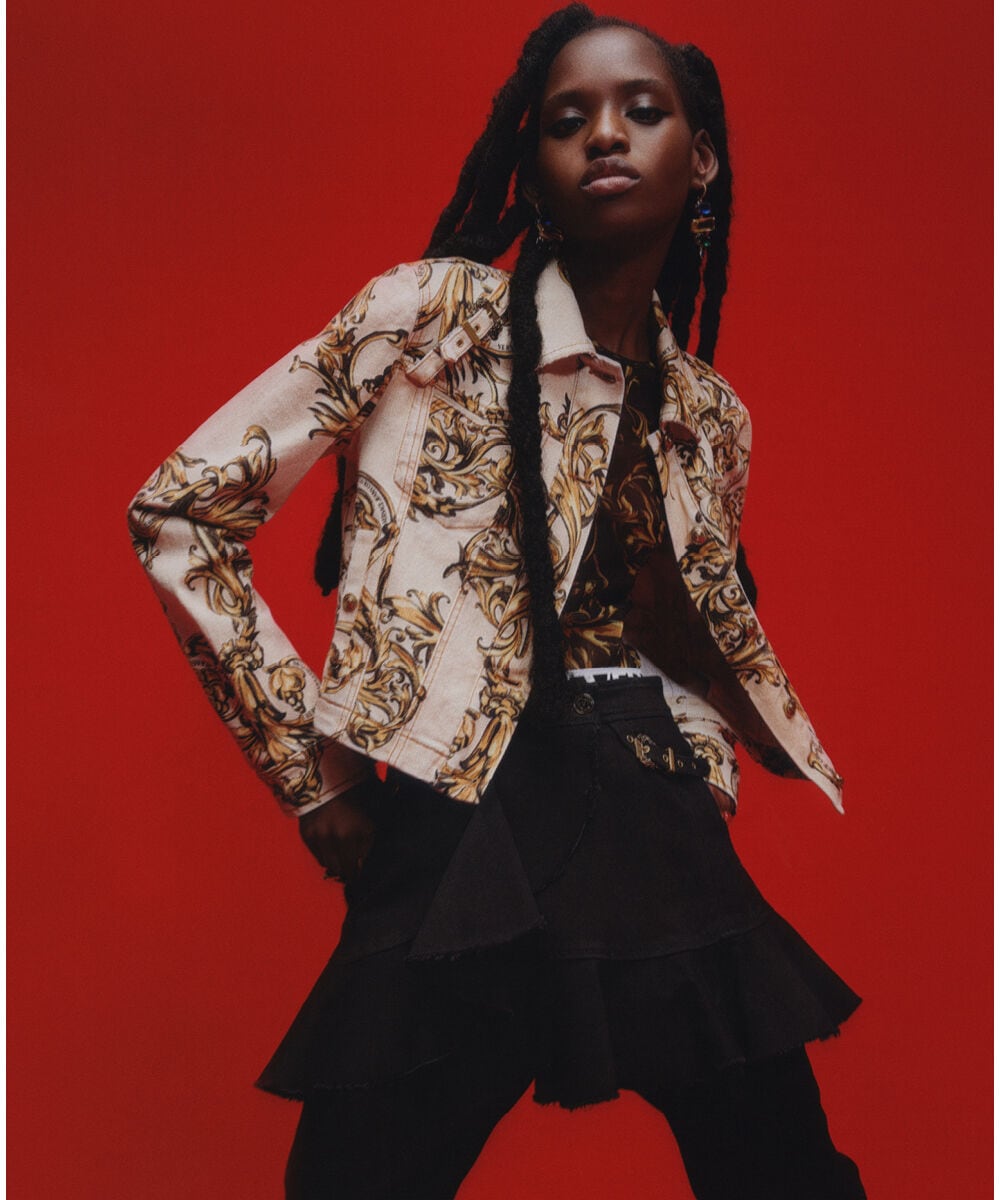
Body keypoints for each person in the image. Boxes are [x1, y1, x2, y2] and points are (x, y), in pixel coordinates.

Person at [127, 6, 866, 1197]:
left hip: (651, 818)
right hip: (462, 814)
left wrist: (701, 773)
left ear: (700, 158)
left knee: (782, 1173)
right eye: (568, 120)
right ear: (533, 169)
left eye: (642, 110)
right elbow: (180, 513)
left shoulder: (709, 416)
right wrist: (313, 772)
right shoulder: (429, 319)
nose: (605, 135)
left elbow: (684, 638)